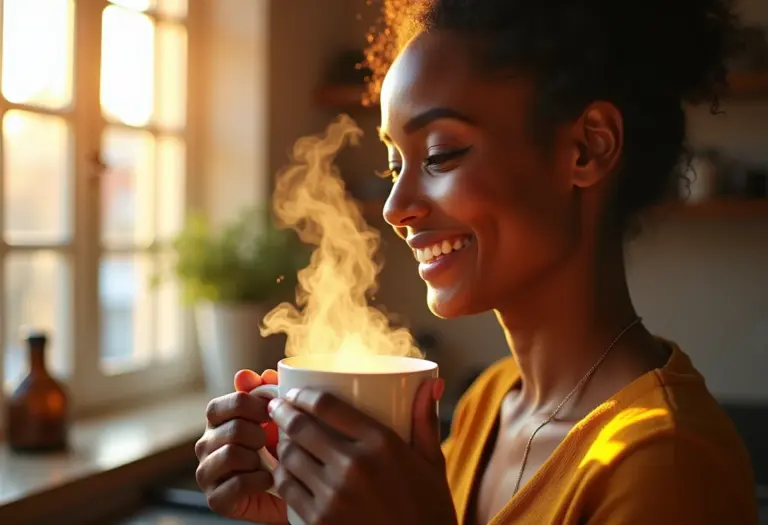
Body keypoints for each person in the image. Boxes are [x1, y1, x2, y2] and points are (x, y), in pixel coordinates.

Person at [194, 0, 759, 523]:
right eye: (394, 165)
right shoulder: (489, 403)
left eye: (441, 154)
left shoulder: (665, 465)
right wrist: (298, 504)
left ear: (588, 148)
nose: (395, 207)